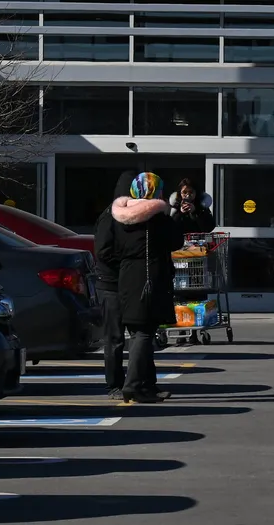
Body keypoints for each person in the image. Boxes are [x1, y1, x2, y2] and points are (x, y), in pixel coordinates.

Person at [104, 171, 185, 403]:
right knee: (144, 332)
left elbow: (111, 249)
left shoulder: (118, 218)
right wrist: (175, 215)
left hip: (127, 277)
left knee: (139, 331)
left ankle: (146, 386)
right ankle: (133, 385)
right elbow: (175, 241)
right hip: (150, 276)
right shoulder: (157, 218)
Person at [95, 170, 137, 399]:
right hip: (111, 284)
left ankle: (136, 382)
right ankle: (114, 384)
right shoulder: (110, 217)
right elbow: (103, 251)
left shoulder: (131, 216)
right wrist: (128, 262)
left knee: (138, 336)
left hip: (128, 283)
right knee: (114, 338)